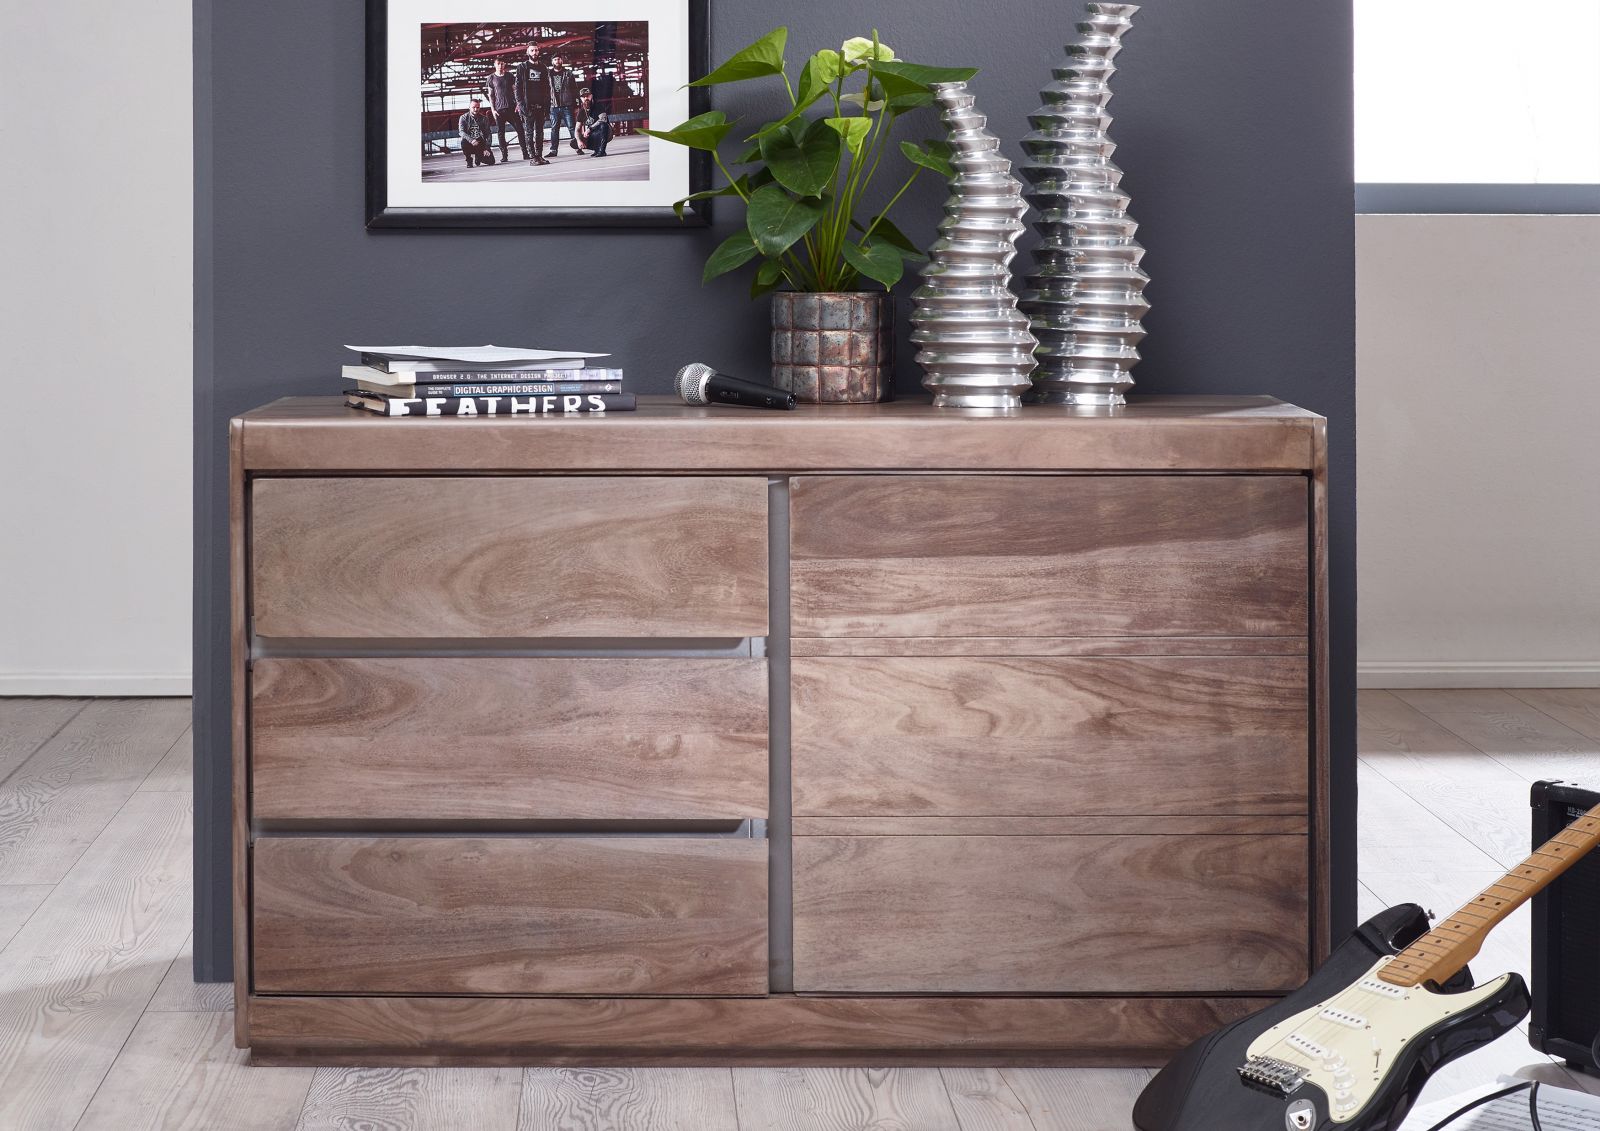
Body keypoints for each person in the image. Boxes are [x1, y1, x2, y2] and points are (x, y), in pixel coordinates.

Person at [514, 41, 552, 166]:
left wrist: (547, 105)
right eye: (532, 50)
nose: (534, 52)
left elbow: (547, 87)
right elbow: (518, 88)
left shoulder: (543, 67)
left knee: (540, 132)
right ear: (527, 52)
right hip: (527, 106)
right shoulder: (522, 67)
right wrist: (521, 104)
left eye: (536, 50)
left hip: (541, 105)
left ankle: (539, 156)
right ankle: (532, 157)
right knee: (529, 132)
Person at [485, 57, 522, 162]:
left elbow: (515, 90)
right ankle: (504, 156)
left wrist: (518, 104)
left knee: (520, 130)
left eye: (502, 63)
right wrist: (493, 110)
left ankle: (525, 153)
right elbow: (491, 95)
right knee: (501, 133)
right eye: (498, 64)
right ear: (495, 65)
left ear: (504, 64)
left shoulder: (510, 76)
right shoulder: (491, 78)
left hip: (512, 108)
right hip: (499, 110)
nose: (500, 65)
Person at [545, 53, 580, 158]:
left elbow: (574, 89)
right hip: (553, 106)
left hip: (567, 105)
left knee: (572, 127)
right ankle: (553, 151)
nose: (557, 61)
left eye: (559, 59)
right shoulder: (548, 74)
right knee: (554, 129)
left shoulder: (568, 73)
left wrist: (576, 104)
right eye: (555, 59)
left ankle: (578, 147)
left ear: (562, 61)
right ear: (552, 62)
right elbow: (545, 91)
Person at [457, 97, 496, 168]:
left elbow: (488, 133)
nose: (476, 109)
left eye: (477, 107)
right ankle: (469, 160)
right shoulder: (463, 118)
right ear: (469, 107)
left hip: (480, 142)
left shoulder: (484, 118)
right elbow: (461, 132)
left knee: (491, 161)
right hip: (469, 142)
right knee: (463, 142)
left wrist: (487, 148)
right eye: (473, 107)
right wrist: (471, 140)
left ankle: (478, 157)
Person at [575, 87, 610, 158]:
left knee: (603, 125)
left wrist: (589, 129)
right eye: (583, 97)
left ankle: (602, 151)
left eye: (587, 96)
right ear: (581, 98)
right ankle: (596, 149)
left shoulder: (598, 106)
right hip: (593, 134)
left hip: (606, 132)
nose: (586, 98)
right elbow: (577, 129)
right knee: (573, 142)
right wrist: (579, 141)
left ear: (591, 96)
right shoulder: (581, 112)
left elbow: (603, 119)